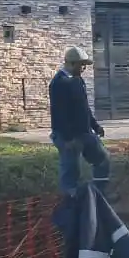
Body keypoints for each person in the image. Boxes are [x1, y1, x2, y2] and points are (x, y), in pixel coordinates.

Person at [49, 45, 109, 195]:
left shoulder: (78, 80)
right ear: (70, 63)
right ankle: (71, 203)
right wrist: (68, 138)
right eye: (81, 65)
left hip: (85, 133)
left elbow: (84, 108)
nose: (84, 68)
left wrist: (95, 126)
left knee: (102, 160)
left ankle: (99, 194)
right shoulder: (59, 83)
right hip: (67, 136)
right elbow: (59, 113)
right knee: (71, 172)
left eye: (85, 65)